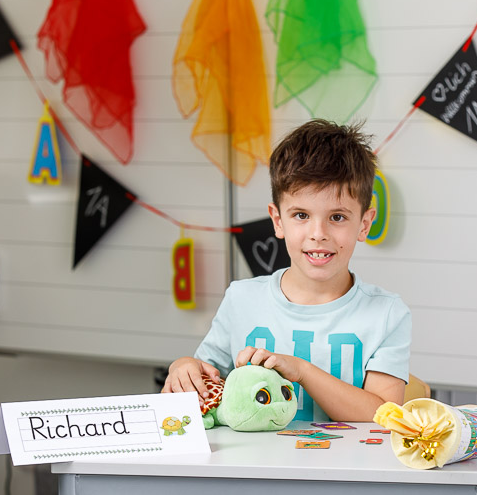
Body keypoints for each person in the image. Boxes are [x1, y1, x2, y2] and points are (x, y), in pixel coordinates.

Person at [162, 119, 411, 422]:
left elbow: (384, 417)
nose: (318, 234)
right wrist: (182, 367)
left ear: (365, 223)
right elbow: (205, 383)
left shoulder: (387, 313)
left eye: (337, 217)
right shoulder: (241, 299)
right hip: (253, 456)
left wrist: (302, 371)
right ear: (278, 221)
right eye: (301, 215)